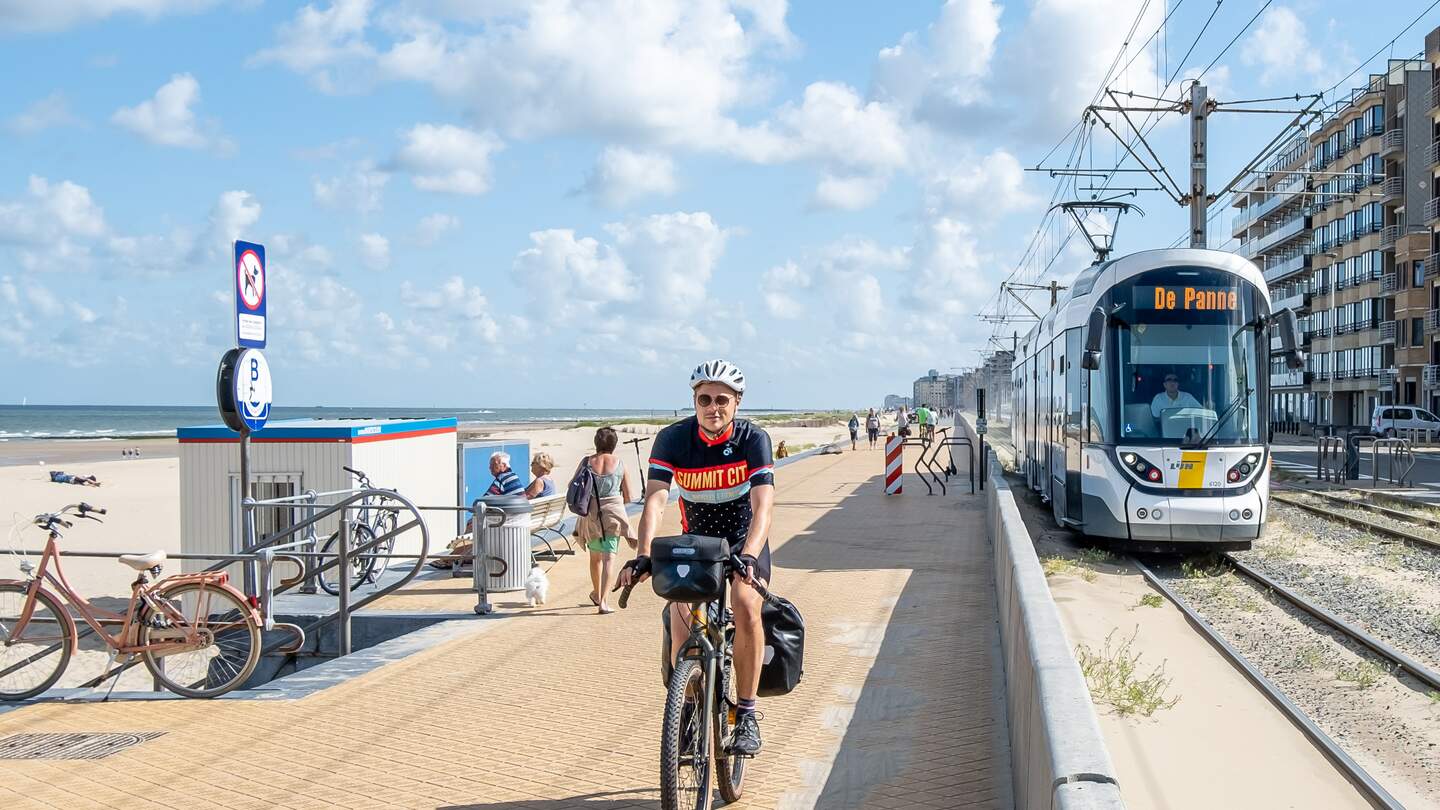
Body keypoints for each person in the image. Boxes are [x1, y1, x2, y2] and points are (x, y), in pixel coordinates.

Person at [618, 359, 774, 757]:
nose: (713, 407)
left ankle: (748, 713)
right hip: (698, 545)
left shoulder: (752, 440)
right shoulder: (674, 439)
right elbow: (654, 500)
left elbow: (763, 507)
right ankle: (686, 711)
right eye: (704, 399)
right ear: (694, 400)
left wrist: (751, 556)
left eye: (722, 399)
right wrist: (643, 554)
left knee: (744, 604)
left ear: (737, 402)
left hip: (743, 543)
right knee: (679, 614)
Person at [577, 428, 636, 614]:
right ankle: (603, 601)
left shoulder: (587, 462)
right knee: (609, 558)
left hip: (591, 516)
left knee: (595, 559)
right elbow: (629, 496)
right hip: (613, 516)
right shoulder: (620, 463)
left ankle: (596, 593)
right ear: (614, 444)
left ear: (596, 443)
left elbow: (575, 485)